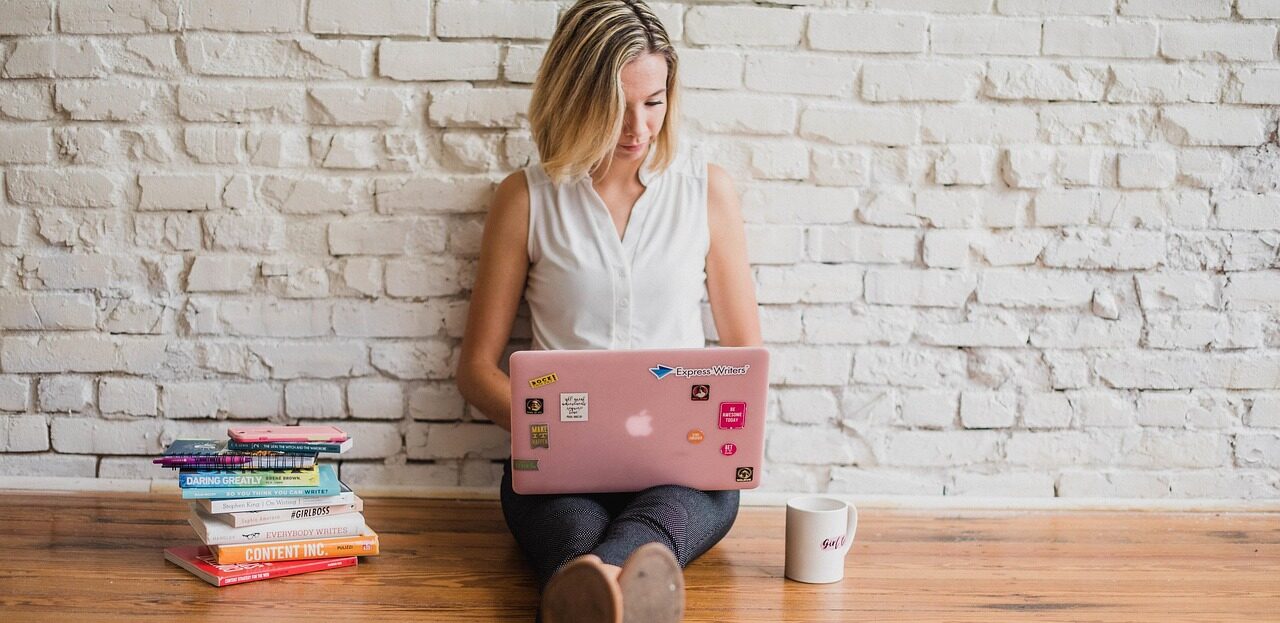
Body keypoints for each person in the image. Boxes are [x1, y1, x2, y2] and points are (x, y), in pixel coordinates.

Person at [455, 1, 762, 621]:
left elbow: (744, 360)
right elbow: (475, 369)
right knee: (570, 525)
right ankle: (623, 587)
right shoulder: (526, 197)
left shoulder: (707, 190)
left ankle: (590, 586)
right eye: (616, 106)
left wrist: (722, 432)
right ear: (574, 98)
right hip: (558, 472)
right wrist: (553, 432)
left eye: (653, 102)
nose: (638, 128)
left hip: (681, 474)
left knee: (668, 515)